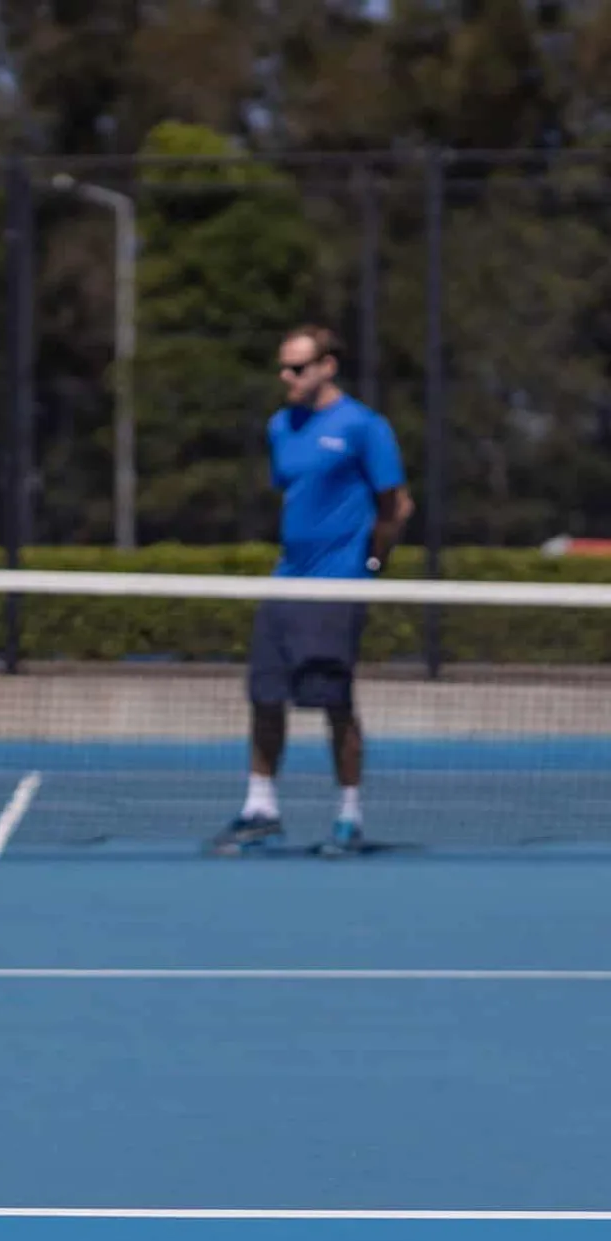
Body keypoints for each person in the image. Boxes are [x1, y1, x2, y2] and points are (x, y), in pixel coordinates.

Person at [213, 324, 411, 856]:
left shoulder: (364, 427)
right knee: (264, 696)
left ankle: (349, 815)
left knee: (334, 702)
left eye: (297, 367)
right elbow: (296, 496)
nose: (287, 376)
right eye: (283, 367)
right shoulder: (280, 427)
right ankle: (261, 809)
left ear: (328, 366)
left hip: (337, 586)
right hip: (286, 582)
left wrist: (369, 562)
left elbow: (397, 507)